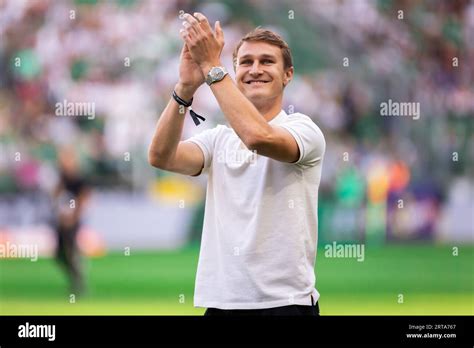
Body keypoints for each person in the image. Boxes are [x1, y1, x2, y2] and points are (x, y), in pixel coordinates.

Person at [148, 12, 325, 316]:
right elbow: (161, 157)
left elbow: (257, 136)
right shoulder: (218, 139)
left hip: (284, 304)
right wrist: (186, 88)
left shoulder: (304, 130)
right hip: (222, 304)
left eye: (267, 61)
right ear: (235, 72)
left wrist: (213, 68)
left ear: (288, 75)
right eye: (245, 62)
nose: (255, 69)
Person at [52, 147, 90, 297]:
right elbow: (56, 196)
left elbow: (84, 198)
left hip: (72, 221)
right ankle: (75, 274)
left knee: (70, 250)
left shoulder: (78, 179)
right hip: (62, 220)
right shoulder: (62, 179)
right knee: (59, 254)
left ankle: (78, 281)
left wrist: (73, 217)